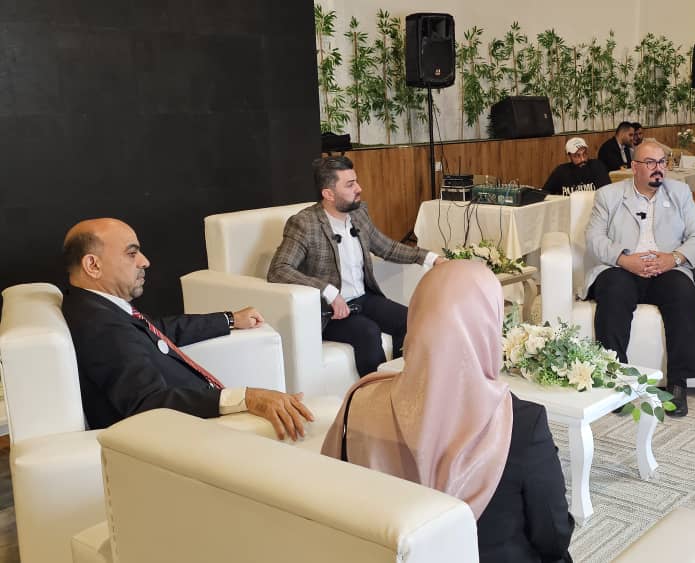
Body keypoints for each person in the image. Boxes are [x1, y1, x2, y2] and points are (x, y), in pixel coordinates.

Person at [322, 261, 574, 563]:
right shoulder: (521, 423)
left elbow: (335, 500)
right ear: (489, 326)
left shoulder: (359, 400)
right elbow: (554, 537)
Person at [62, 218, 314, 440]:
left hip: (199, 421)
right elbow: (148, 403)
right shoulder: (100, 325)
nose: (144, 261)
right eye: (132, 254)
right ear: (93, 265)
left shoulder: (96, 307)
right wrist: (246, 398)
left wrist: (229, 319)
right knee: (314, 422)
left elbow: (155, 330)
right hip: (192, 437)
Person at [268, 156, 446, 377]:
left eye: (356, 181)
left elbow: (386, 247)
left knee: (409, 320)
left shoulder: (358, 214)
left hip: (364, 298)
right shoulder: (305, 223)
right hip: (328, 311)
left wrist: (431, 258)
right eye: (350, 185)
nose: (359, 189)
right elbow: (279, 269)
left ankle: (405, 382)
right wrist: (329, 292)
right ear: (328, 194)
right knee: (368, 332)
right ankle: (374, 392)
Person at [583, 141, 695, 417]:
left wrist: (674, 258)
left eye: (662, 162)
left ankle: (678, 384)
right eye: (650, 163)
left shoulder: (680, 192)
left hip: (666, 268)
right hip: (623, 267)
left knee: (683, 292)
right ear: (635, 167)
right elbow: (593, 238)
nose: (658, 168)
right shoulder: (608, 195)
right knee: (613, 292)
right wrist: (624, 259)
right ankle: (616, 381)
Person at [542, 137, 611, 196]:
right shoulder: (561, 172)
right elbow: (544, 194)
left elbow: (607, 193)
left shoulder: (597, 166)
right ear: (569, 156)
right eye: (577, 156)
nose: (582, 159)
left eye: (584, 154)